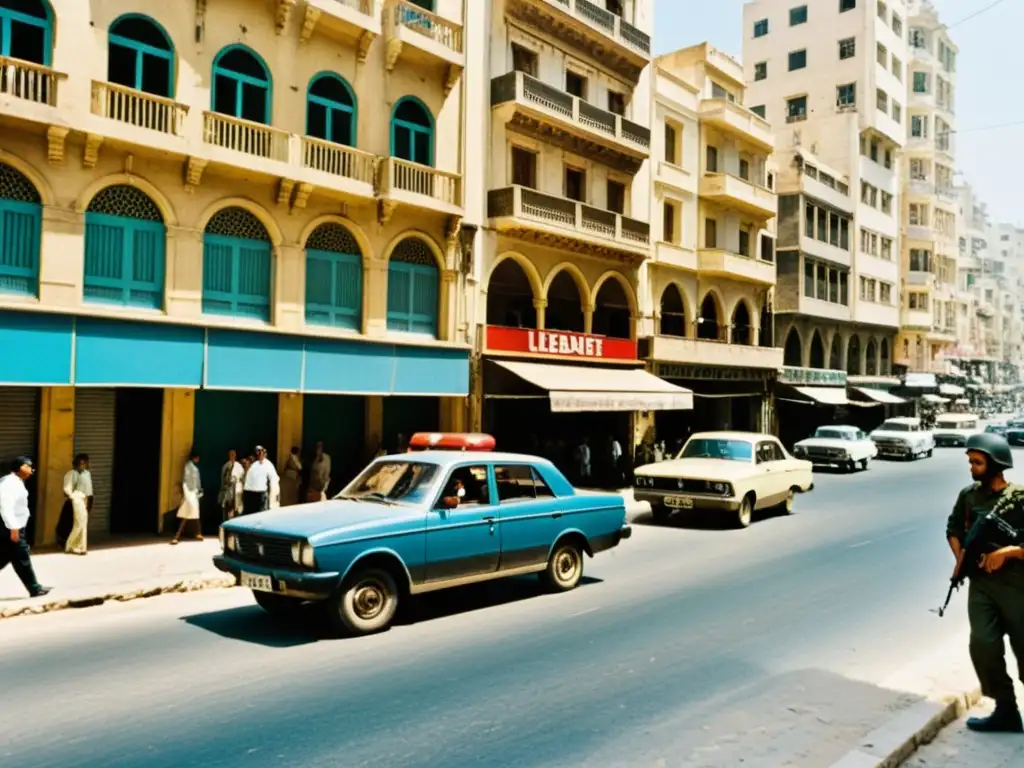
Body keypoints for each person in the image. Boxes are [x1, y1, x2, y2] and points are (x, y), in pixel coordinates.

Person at [946, 432, 1024, 733]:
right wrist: (961, 559)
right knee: (983, 645)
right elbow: (952, 529)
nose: (972, 467)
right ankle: (1006, 710)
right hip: (981, 586)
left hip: (1018, 586)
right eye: (970, 462)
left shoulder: (1019, 499)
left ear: (996, 464)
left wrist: (1008, 552)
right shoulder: (969, 496)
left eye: (977, 462)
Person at [0, 457, 50, 597]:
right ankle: (34, 588)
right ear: (19, 468)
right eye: (27, 466)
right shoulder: (10, 484)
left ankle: (34, 587)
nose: (31, 470)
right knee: (22, 558)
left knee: (10, 557)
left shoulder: (15, 482)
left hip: (11, 528)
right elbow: (6, 507)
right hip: (11, 528)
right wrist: (14, 529)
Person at [62, 453, 93, 555]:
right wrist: (74, 497)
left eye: (85, 462)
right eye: (81, 462)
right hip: (77, 498)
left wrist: (89, 503)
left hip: (85, 499)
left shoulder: (87, 474)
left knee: (83, 524)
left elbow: (89, 490)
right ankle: (69, 545)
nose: (83, 465)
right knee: (79, 523)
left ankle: (81, 547)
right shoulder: (72, 473)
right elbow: (67, 488)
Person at [172, 449, 203, 545]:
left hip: (192, 493)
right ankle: (177, 536)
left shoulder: (191, 467)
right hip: (191, 493)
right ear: (196, 458)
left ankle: (198, 533)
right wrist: (190, 493)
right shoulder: (191, 468)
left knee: (195, 513)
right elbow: (189, 481)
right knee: (188, 514)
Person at [242, 445, 278, 515]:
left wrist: (273, 500)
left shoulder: (268, 464)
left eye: (261, 452)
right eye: (258, 452)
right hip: (249, 494)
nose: (260, 454)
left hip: (261, 494)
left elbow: (274, 480)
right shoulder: (252, 465)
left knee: (261, 515)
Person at [218, 449, 244, 521]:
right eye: (230, 454)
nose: (232, 456)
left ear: (235, 455)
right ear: (228, 456)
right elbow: (223, 480)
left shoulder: (239, 466)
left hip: (237, 491)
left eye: (233, 454)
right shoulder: (225, 466)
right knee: (228, 510)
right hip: (228, 491)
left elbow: (242, 479)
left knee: (237, 510)